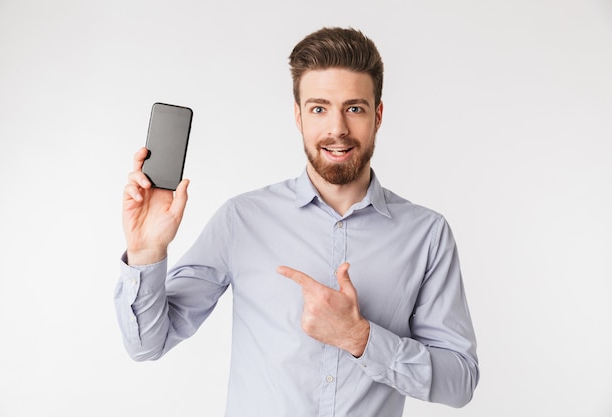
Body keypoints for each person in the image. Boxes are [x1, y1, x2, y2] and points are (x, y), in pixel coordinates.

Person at [115, 26, 479, 416]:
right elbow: (147, 344)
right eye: (319, 108)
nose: (337, 128)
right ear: (298, 116)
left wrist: (361, 338)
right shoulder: (242, 220)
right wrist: (146, 252)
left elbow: (459, 382)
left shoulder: (426, 235)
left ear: (378, 115)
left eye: (354, 108)